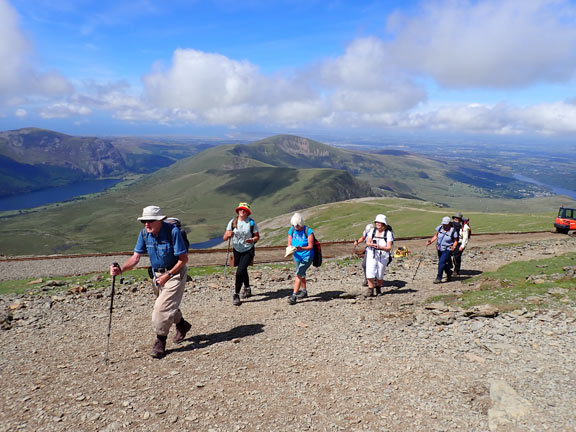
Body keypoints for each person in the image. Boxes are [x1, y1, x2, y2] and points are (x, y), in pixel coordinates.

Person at [109, 205, 190, 359]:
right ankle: (182, 325)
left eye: (150, 220)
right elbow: (136, 257)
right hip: (157, 275)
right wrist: (121, 270)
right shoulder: (144, 234)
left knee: (160, 309)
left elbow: (184, 259)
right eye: (144, 221)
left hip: (175, 273)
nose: (146, 224)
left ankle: (160, 341)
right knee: (167, 304)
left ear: (160, 220)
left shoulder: (173, 232)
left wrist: (168, 274)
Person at [222, 202, 260, 306]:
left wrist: (252, 239)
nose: (242, 211)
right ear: (238, 211)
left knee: (239, 272)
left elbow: (257, 236)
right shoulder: (232, 222)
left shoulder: (252, 223)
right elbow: (224, 238)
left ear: (247, 212)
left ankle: (236, 294)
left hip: (248, 250)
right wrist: (228, 234)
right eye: (240, 209)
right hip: (237, 250)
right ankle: (247, 288)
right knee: (243, 270)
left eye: (244, 210)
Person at [287, 212, 314, 305]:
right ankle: (304, 291)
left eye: (297, 226)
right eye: (294, 225)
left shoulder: (308, 231)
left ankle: (294, 295)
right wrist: (290, 249)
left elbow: (310, 246)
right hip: (297, 256)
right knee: (301, 273)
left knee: (299, 273)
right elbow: (289, 243)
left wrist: (301, 248)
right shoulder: (292, 230)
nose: (296, 227)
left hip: (307, 256)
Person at [364, 214, 394, 297]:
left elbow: (389, 247)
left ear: (383, 224)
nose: (378, 223)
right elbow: (367, 242)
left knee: (380, 273)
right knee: (370, 271)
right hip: (371, 253)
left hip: (383, 255)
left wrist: (380, 247)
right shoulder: (372, 231)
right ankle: (370, 289)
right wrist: (371, 245)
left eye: (379, 222)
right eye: (377, 222)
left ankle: (378, 287)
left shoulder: (388, 233)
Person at [426, 216, 459, 284]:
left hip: (447, 249)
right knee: (443, 263)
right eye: (444, 224)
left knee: (441, 263)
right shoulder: (440, 228)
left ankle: (439, 278)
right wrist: (430, 242)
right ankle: (449, 272)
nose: (444, 225)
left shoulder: (453, 230)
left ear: (449, 223)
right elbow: (436, 236)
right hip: (439, 248)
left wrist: (454, 246)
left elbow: (456, 241)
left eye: (446, 224)